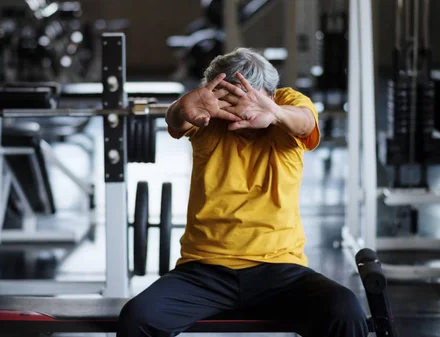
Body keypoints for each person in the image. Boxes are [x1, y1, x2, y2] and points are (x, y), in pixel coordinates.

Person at [117, 48, 369, 337]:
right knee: (137, 318)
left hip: (280, 271)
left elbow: (306, 122)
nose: (240, 113)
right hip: (204, 272)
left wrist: (273, 113)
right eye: (230, 102)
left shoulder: (287, 105)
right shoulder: (207, 117)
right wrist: (180, 108)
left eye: (250, 101)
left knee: (345, 311)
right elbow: (178, 119)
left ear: (271, 95)